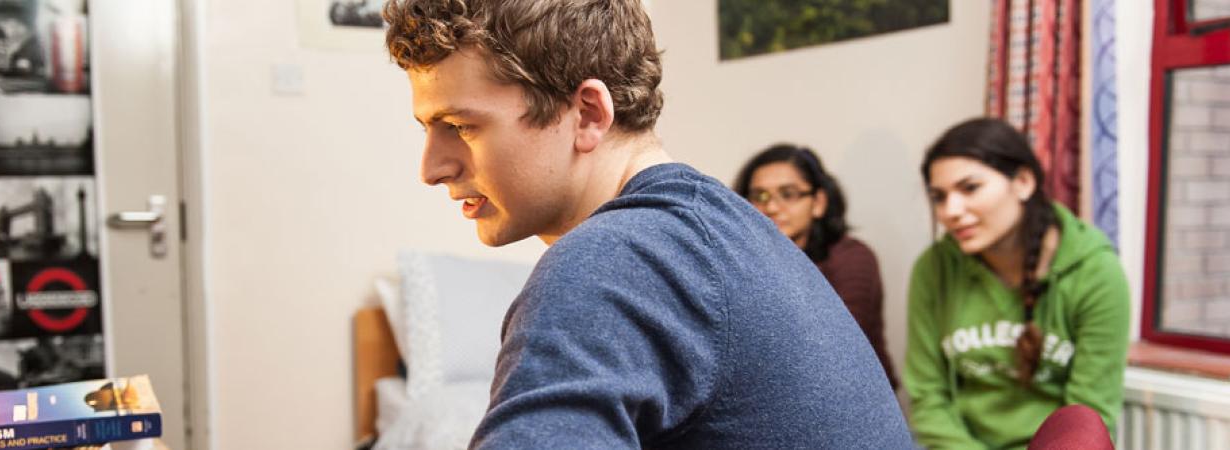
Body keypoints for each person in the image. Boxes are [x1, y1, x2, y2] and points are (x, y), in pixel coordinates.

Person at [382, 0, 912, 448]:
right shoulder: (728, 230)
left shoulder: (610, 265)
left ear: (588, 113)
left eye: (458, 126)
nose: (431, 168)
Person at [906, 117, 1130, 449]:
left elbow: (1089, 413)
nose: (950, 210)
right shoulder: (934, 269)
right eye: (939, 196)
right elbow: (927, 398)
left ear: (1023, 181)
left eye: (970, 188)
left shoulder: (1096, 273)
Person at [732, 144, 898, 388]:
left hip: (855, 398)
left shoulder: (852, 258)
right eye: (760, 196)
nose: (772, 208)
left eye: (788, 194)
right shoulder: (741, 261)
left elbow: (833, 346)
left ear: (818, 202)